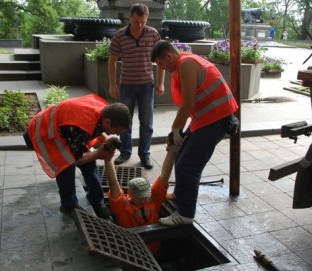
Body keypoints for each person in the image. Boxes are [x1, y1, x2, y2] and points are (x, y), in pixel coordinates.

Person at [150, 40, 240, 226]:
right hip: (208, 116)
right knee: (181, 155)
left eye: (161, 64)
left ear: (168, 56)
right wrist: (177, 131)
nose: (163, 68)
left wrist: (176, 129)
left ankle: (186, 214)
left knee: (188, 164)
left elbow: (188, 102)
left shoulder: (186, 64)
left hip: (216, 118)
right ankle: (180, 196)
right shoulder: (187, 62)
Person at [23, 94, 131, 219]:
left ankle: (96, 199)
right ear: (107, 122)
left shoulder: (107, 112)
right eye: (116, 131)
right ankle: (69, 205)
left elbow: (96, 131)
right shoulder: (81, 128)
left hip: (63, 129)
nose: (117, 134)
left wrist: (105, 145)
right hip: (42, 133)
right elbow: (77, 160)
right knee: (66, 166)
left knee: (90, 163)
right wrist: (98, 154)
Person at [108, 3, 165, 170]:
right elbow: (112, 61)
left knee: (147, 122)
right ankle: (125, 152)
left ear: (146, 18)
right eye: (135, 21)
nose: (138, 25)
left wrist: (161, 82)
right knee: (125, 121)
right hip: (126, 85)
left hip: (147, 85)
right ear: (129, 18)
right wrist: (112, 84)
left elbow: (161, 60)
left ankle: (144, 154)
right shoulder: (119, 35)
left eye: (142, 21)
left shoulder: (153, 34)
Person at [104, 141, 177, 253]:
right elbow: (113, 182)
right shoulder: (121, 207)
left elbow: (164, 177)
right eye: (139, 197)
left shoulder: (152, 200)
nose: (143, 200)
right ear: (130, 194)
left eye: (145, 196)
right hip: (134, 254)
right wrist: (108, 158)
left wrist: (171, 151)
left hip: (155, 250)